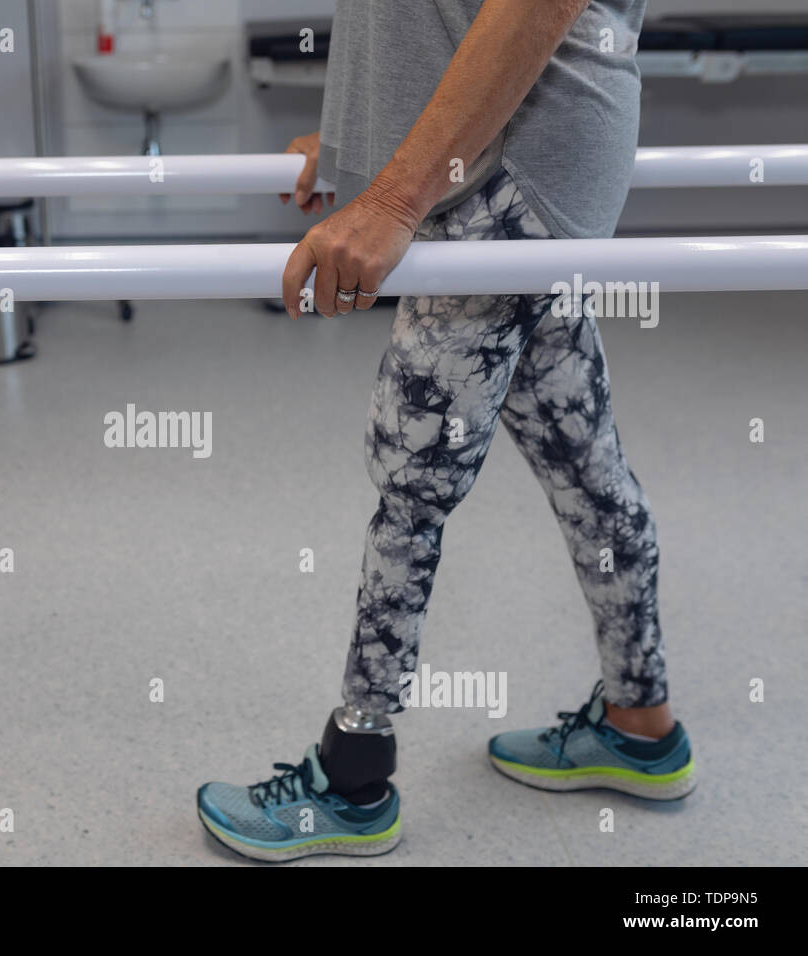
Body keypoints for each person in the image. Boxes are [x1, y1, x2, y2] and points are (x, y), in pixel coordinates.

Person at [197, 0, 696, 862]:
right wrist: (353, 144)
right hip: (507, 163)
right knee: (583, 462)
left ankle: (353, 782)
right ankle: (639, 722)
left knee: (410, 484)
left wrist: (394, 194)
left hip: (508, 171)